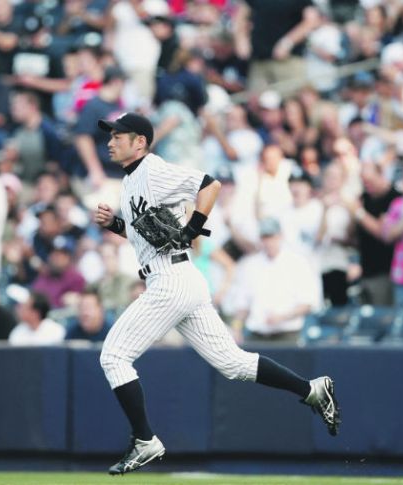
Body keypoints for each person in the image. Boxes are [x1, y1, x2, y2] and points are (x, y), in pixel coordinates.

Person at [93, 112, 341, 475]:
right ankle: (312, 390)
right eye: (110, 136)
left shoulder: (153, 169)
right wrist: (116, 224)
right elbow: (145, 236)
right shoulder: (130, 183)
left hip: (171, 280)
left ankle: (144, 439)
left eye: (118, 135)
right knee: (233, 364)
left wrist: (192, 226)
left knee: (113, 356)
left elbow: (209, 185)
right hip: (181, 278)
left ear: (140, 141)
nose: (111, 141)